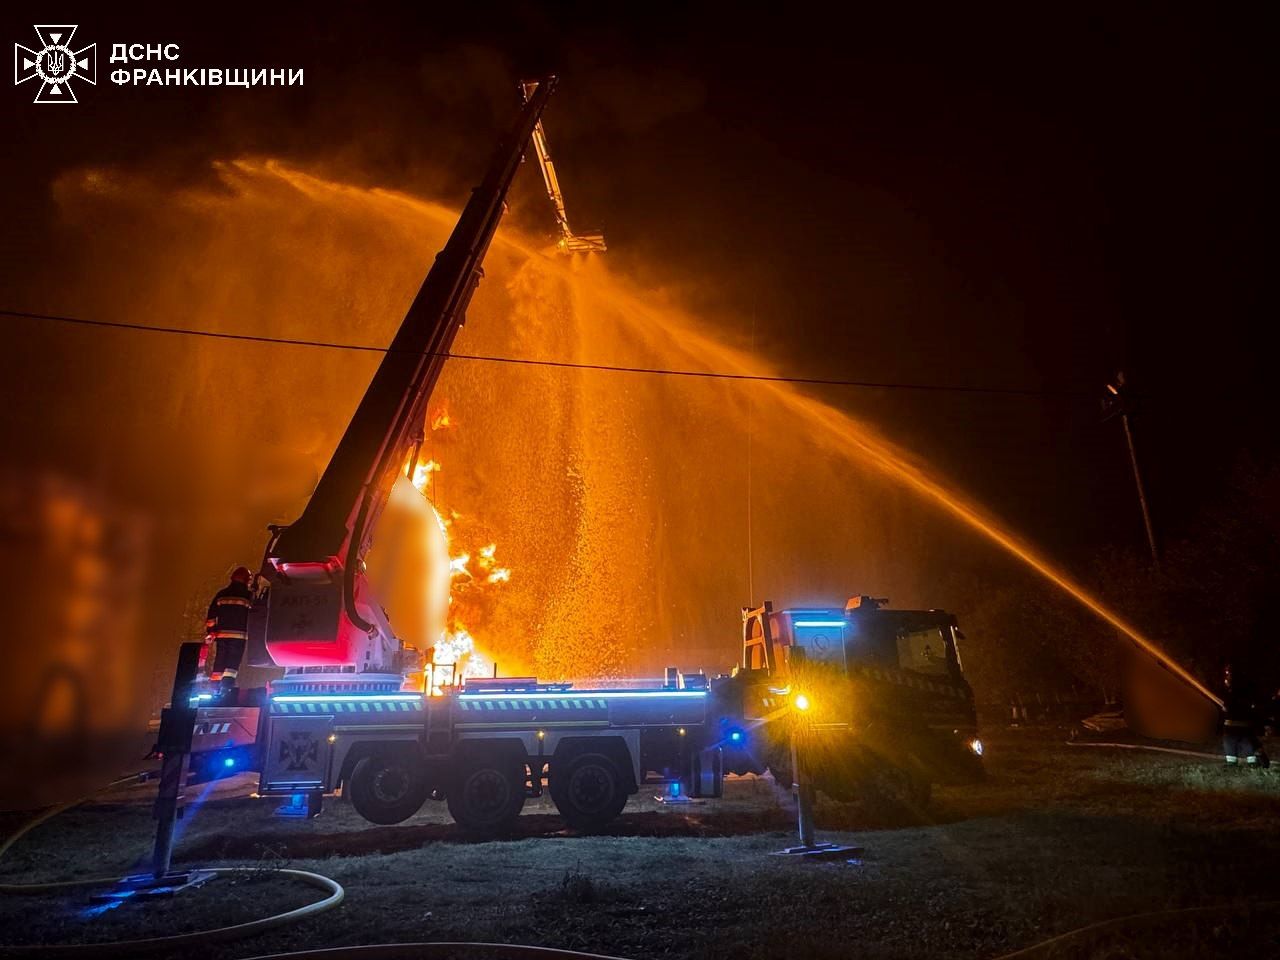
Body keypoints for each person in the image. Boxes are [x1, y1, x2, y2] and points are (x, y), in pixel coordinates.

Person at [206, 566, 254, 697]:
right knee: (232, 663)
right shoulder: (249, 596)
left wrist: (211, 631)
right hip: (239, 636)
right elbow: (256, 615)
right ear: (246, 580)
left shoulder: (221, 594)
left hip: (221, 635)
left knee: (220, 659)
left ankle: (215, 687)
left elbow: (211, 615)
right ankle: (226, 688)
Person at [1221, 664, 1268, 768]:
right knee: (1247, 743)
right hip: (1245, 726)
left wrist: (1226, 707)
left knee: (1231, 743)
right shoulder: (1247, 690)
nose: (1226, 677)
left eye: (1228, 674)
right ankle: (1253, 763)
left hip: (1233, 726)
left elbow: (1229, 706)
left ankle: (1233, 764)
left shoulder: (1233, 691)